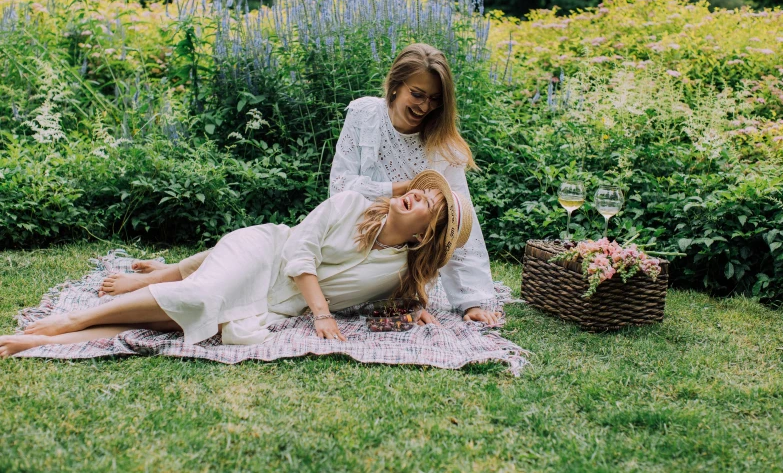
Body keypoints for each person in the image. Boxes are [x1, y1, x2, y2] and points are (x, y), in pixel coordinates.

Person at [96, 43, 499, 324]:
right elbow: (340, 187)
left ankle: (168, 277)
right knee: (273, 248)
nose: (424, 106)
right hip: (345, 229)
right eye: (417, 94)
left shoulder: (443, 146)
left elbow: (461, 224)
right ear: (395, 85)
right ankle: (158, 278)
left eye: (434, 100)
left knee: (270, 266)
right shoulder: (363, 114)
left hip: (385, 261)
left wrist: (473, 300)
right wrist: (398, 188)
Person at [0, 171, 497, 358]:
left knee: (163, 327)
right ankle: (72, 318)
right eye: (420, 188)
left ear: (429, 234)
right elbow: (298, 252)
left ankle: (35, 341)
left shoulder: (399, 272)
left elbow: (402, 304)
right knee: (197, 296)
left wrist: (420, 311)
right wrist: (321, 313)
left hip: (268, 310)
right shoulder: (348, 203)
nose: (415, 194)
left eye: (429, 201)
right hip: (263, 256)